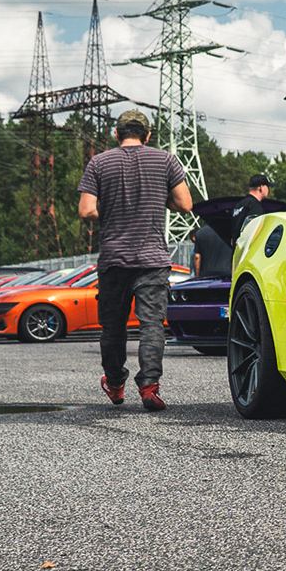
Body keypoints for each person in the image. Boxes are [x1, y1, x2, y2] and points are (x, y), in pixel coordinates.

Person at [77, 109, 193, 411]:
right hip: (153, 259)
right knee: (152, 324)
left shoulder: (99, 162)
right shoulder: (165, 160)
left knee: (113, 327)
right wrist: (158, 199)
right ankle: (149, 386)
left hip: (114, 259)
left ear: (117, 134)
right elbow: (185, 204)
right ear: (147, 135)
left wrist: (112, 209)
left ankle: (115, 383)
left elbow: (86, 210)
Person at [231, 172, 271, 245]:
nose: (268, 190)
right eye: (268, 187)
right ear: (261, 187)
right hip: (247, 248)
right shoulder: (255, 206)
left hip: (236, 249)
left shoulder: (239, 205)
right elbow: (253, 233)